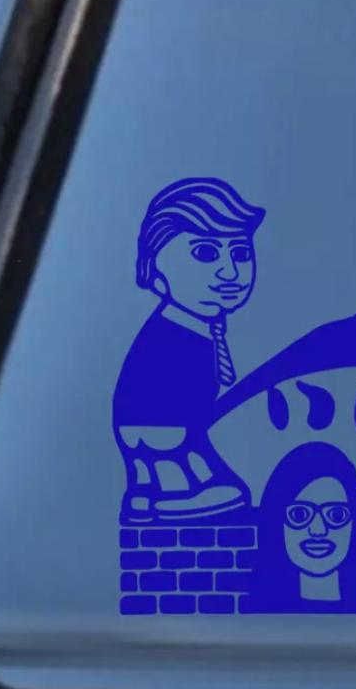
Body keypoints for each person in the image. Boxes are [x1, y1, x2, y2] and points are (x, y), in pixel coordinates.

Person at [112, 177, 265, 523]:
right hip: (163, 447)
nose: (230, 271)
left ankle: (151, 489)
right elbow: (164, 414)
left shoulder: (195, 330)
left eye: (240, 253)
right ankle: (169, 491)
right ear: (155, 266)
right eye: (206, 253)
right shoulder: (174, 338)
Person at [245, 442, 356, 612]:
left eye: (336, 515)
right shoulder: (258, 611)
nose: (318, 530)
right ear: (276, 523)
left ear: (355, 524)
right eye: (299, 514)